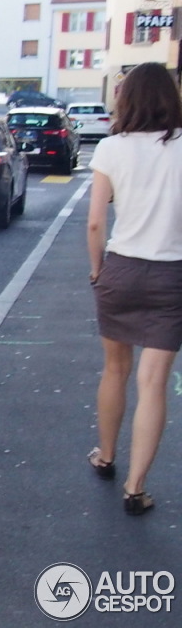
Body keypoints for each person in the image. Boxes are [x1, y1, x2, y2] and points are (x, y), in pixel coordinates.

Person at [86, 62, 182, 516]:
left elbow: (95, 222)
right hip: (172, 277)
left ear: (127, 100)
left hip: (120, 270)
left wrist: (96, 270)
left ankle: (105, 456)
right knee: (153, 382)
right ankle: (135, 487)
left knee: (115, 370)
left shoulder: (110, 149)